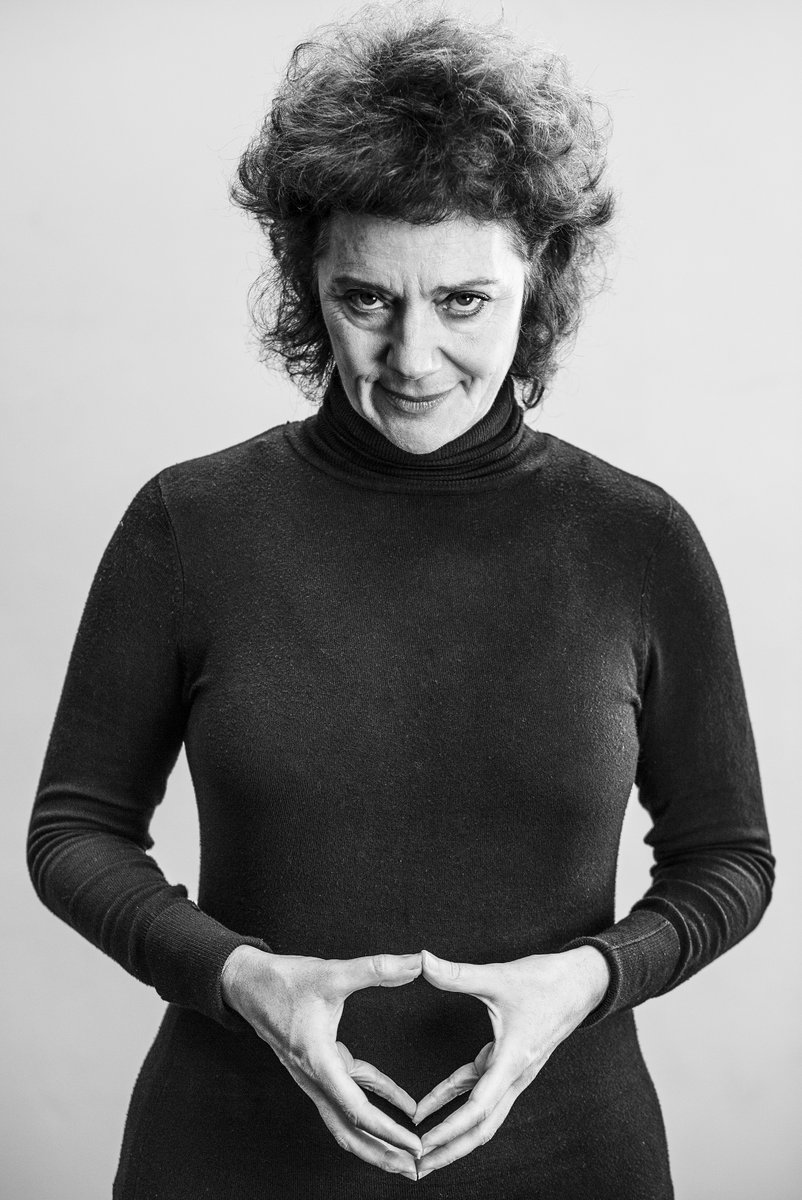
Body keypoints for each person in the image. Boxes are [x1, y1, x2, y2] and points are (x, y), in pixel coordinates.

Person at [27, 6, 775, 1198]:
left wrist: (587, 979)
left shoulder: (637, 540)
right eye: (366, 299)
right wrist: (238, 979)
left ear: (540, 277)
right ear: (308, 284)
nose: (414, 357)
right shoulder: (189, 522)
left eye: (464, 301)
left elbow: (726, 859)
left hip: (568, 1161)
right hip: (227, 1157)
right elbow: (74, 833)